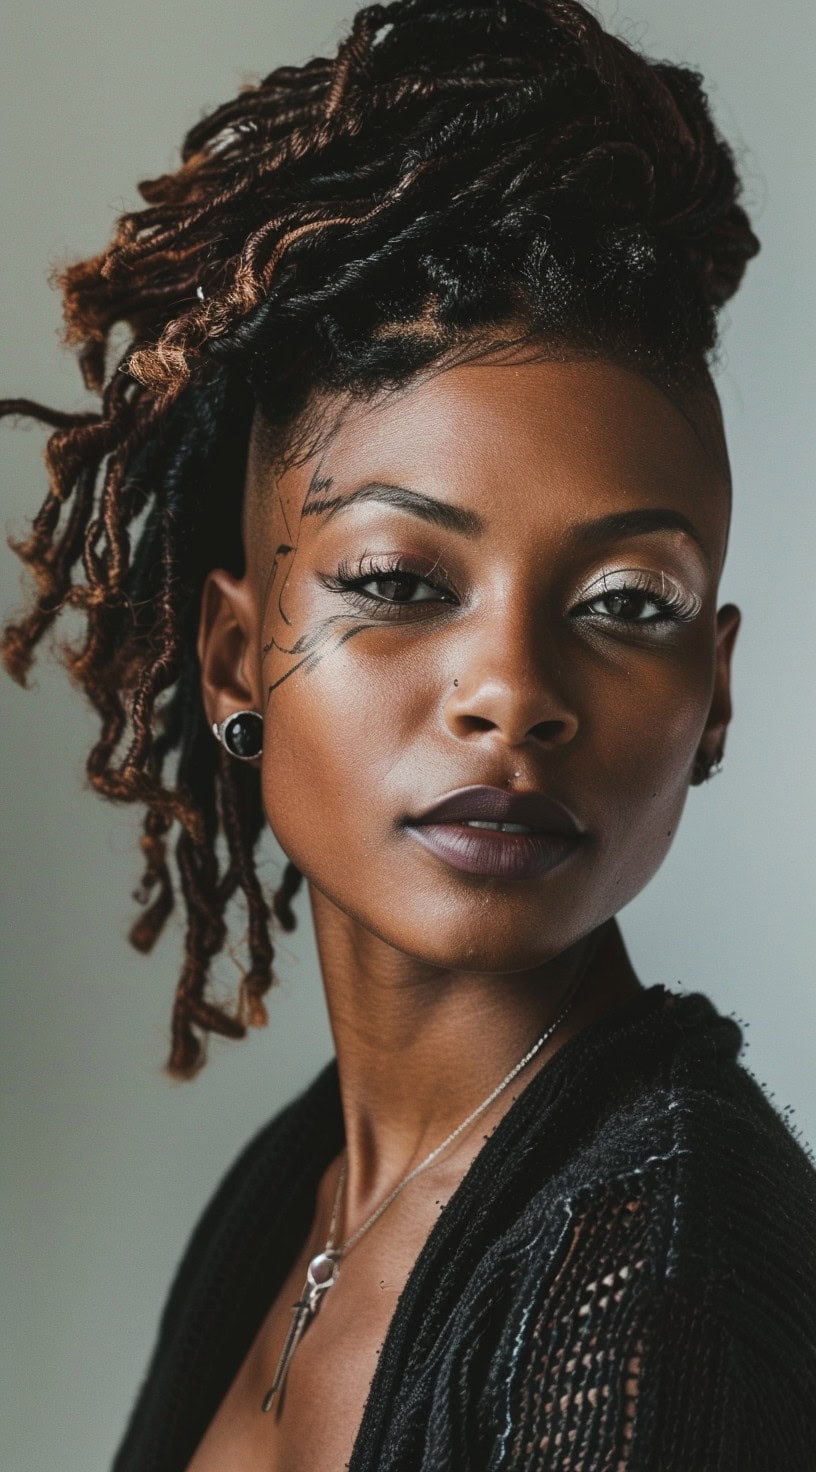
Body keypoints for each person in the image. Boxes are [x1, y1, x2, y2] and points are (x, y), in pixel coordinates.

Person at [3, 0, 815, 1467]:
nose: (510, 689)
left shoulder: (663, 1286)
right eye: (395, 583)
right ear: (237, 656)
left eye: (628, 603)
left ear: (717, 689)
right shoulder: (293, 1191)